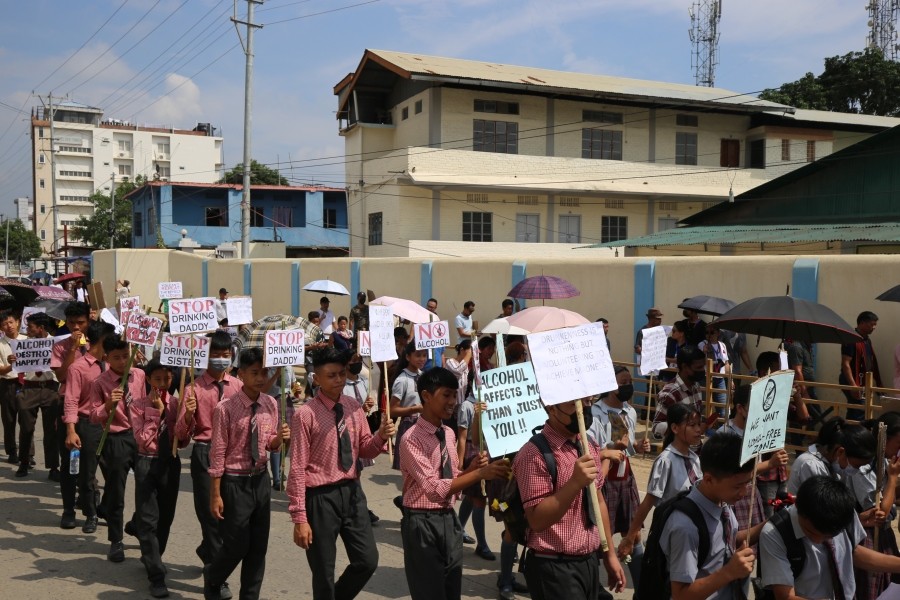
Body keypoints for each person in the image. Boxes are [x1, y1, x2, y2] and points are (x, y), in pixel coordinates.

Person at [288, 348, 395, 600]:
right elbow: (297, 468)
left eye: (341, 374)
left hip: (352, 493)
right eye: (331, 375)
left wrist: (381, 435)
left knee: (367, 560)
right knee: (323, 571)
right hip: (320, 498)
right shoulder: (305, 415)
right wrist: (300, 518)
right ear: (316, 379)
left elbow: (364, 449)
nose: (338, 379)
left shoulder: (353, 407)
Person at [400, 366, 511, 600]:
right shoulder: (411, 440)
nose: (452, 401)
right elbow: (433, 489)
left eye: (454, 395)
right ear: (426, 396)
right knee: (430, 591)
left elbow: (451, 479)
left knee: (452, 588)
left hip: (448, 519)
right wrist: (480, 475)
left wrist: (470, 470)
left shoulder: (448, 434)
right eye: (446, 395)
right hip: (422, 522)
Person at [513, 396, 626, 600]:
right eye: (574, 404)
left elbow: (598, 501)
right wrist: (574, 483)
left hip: (588, 561)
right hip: (554, 566)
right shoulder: (534, 454)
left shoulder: (588, 445)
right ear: (551, 408)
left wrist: (609, 554)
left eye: (586, 402)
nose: (583, 409)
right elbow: (537, 519)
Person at [204, 347, 290, 600]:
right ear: (241, 374)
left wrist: (281, 439)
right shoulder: (226, 408)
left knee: (258, 548)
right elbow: (218, 453)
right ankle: (214, 576)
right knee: (237, 544)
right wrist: (215, 493)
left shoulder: (271, 404)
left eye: (264, 372)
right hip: (234, 482)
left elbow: (269, 444)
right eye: (254, 372)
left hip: (260, 479)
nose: (261, 378)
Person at [175, 330, 242, 596]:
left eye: (226, 356)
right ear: (205, 356)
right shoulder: (192, 388)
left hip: (234, 458)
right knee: (212, 516)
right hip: (205, 452)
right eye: (216, 355)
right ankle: (216, 579)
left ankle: (208, 550)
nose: (221, 360)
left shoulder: (238, 386)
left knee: (233, 520)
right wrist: (188, 413)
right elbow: (181, 437)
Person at [760, 475, 900, 600]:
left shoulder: (844, 511)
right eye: (810, 532)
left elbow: (852, 552)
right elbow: (785, 596)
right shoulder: (774, 534)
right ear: (798, 507)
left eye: (829, 536)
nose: (818, 541)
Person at [659, 433, 761, 600]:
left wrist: (770, 524)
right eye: (737, 486)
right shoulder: (685, 526)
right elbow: (680, 595)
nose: (744, 493)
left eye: (747, 483)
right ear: (708, 479)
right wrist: (729, 572)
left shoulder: (722, 502)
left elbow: (723, 543)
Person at [588, 366, 651, 589]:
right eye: (623, 382)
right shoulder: (594, 413)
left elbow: (629, 447)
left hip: (626, 479)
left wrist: (636, 445)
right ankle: (592, 586)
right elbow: (590, 449)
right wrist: (612, 448)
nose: (628, 386)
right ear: (610, 385)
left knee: (634, 534)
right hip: (603, 480)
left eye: (629, 381)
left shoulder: (630, 412)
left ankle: (642, 587)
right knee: (598, 539)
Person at [619, 403, 703, 562]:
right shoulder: (666, 461)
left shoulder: (695, 459)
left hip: (693, 531)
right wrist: (630, 537)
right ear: (675, 428)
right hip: (671, 532)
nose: (698, 429)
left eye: (699, 424)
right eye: (692, 425)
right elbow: (648, 502)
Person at [130, 360, 186, 599]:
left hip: (170, 463)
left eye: (167, 379)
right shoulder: (138, 405)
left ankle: (154, 555)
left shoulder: (176, 403)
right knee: (148, 520)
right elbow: (142, 438)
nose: (162, 384)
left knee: (165, 518)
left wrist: (188, 416)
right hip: (146, 462)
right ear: (149, 381)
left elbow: (182, 439)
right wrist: (155, 413)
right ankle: (156, 575)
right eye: (157, 380)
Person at [89, 336, 145, 563]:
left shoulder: (139, 375)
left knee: (147, 487)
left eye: (125, 356)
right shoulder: (100, 383)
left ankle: (138, 524)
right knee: (116, 492)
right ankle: (116, 540)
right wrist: (108, 405)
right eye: (116, 358)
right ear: (106, 358)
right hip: (116, 438)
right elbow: (93, 415)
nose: (123, 362)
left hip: (141, 437)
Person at [62, 320, 115, 534]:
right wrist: (71, 429)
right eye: (110, 339)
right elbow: (71, 399)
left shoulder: (113, 364)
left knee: (115, 473)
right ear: (102, 340)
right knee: (87, 474)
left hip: (113, 425)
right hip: (88, 425)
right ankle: (91, 513)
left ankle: (106, 508)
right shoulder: (78, 367)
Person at [848, 412, 900, 600]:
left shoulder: (885, 460)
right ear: (885, 440)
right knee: (871, 588)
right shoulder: (863, 467)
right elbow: (881, 513)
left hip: (885, 536)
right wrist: (892, 479)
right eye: (898, 443)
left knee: (889, 585)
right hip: (868, 536)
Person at [50, 301, 91, 524]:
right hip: (69, 408)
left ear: (88, 321)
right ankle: (68, 511)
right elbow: (61, 377)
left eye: (81, 323)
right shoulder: (61, 346)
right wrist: (73, 349)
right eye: (73, 323)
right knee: (69, 462)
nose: (77, 327)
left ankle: (90, 504)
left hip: (93, 410)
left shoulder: (98, 344)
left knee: (91, 463)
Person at [717, 385, 769, 539]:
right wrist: (770, 464)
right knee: (735, 541)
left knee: (752, 545)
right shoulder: (725, 435)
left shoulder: (756, 432)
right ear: (740, 408)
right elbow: (734, 474)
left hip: (752, 493)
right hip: (733, 496)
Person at [16, 312, 60, 480]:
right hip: (30, 388)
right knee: (26, 428)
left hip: (50, 389)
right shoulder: (23, 345)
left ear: (41, 328)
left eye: (30, 327)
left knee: (51, 431)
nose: (27, 329)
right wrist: (14, 359)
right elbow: (18, 367)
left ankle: (53, 467)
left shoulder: (56, 344)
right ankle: (24, 462)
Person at [786, 417, 875, 494]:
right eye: (856, 466)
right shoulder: (810, 465)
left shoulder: (830, 463)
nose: (857, 470)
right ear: (840, 452)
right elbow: (823, 507)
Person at [651, 346, 706, 439]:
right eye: (699, 367)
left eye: (703, 366)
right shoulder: (670, 393)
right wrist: (684, 429)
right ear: (685, 367)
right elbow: (657, 428)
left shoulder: (695, 386)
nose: (702, 370)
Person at [390, 342, 428, 472]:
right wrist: (414, 409)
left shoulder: (424, 376)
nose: (422, 359)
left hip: (425, 425)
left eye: (424, 355)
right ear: (408, 357)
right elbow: (393, 410)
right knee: (411, 471)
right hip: (409, 426)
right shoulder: (402, 380)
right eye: (418, 355)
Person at [840, 311, 882, 421]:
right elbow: (845, 363)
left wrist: (878, 383)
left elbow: (871, 362)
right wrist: (853, 385)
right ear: (862, 323)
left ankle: (850, 434)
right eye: (872, 324)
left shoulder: (867, 340)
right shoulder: (851, 339)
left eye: (875, 325)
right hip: (852, 380)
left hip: (863, 381)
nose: (874, 327)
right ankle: (852, 435)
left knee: (858, 410)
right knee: (858, 409)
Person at [0, 310, 26, 465]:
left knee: (27, 419)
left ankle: (27, 453)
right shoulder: (1, 345)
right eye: (4, 324)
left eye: (11, 322)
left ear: (18, 322)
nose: (8, 326)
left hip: (26, 383)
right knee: (9, 420)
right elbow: (1, 370)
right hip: (8, 384)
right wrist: (12, 365)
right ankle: (12, 452)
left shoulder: (28, 340)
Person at [698, 324, 730, 413]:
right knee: (702, 406)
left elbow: (726, 363)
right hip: (705, 378)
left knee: (723, 408)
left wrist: (731, 380)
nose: (709, 335)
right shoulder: (702, 344)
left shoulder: (722, 345)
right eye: (707, 332)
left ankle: (721, 425)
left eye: (712, 332)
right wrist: (704, 350)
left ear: (718, 333)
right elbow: (701, 353)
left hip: (720, 379)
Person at [424, 297, 444, 370]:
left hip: (437, 366)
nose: (429, 308)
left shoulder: (437, 319)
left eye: (432, 307)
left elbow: (442, 352)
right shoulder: (420, 318)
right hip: (425, 368)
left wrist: (443, 366)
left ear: (435, 308)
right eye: (428, 306)